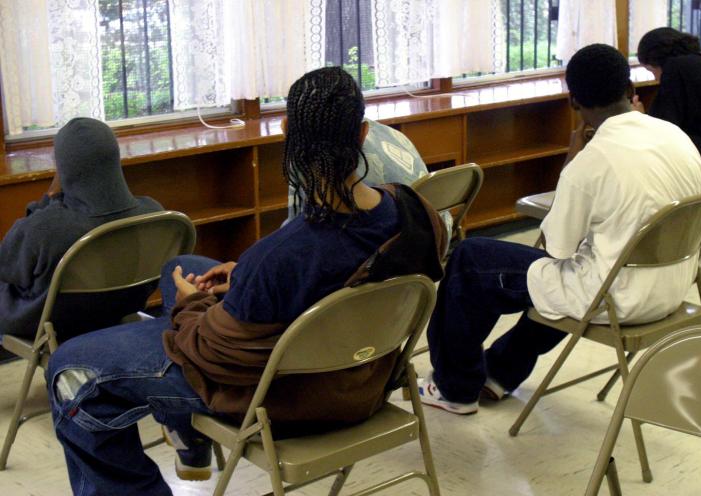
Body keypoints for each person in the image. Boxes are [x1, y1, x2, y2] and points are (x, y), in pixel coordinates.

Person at [47, 66, 447, 495]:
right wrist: (244, 279)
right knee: (179, 265)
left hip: (288, 398)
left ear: (287, 130)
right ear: (364, 133)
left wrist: (191, 305)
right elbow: (340, 278)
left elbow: (210, 354)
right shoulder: (414, 212)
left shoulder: (281, 256)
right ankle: (189, 437)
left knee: (70, 368)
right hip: (367, 375)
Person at [418, 44, 701, 415]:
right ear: (631, 88)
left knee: (471, 260)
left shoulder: (592, 160)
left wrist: (573, 154)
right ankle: (499, 373)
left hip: (617, 299)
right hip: (673, 287)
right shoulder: (675, 136)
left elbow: (556, 248)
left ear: (574, 102)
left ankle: (454, 389)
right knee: (561, 280)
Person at [0, 118, 161, 343]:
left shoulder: (45, 227)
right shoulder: (154, 213)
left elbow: (7, 266)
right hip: (119, 311)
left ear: (64, 167)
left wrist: (48, 197)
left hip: (53, 323)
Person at [287, 118, 454, 238]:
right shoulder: (392, 134)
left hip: (405, 245)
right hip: (433, 238)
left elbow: (297, 228)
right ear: (363, 129)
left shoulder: (309, 156)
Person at [636, 27, 701, 183]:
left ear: (656, 62)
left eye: (651, 71)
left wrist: (638, 118)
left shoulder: (675, 68)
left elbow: (661, 127)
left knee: (657, 144)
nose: (657, 79)